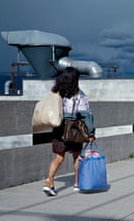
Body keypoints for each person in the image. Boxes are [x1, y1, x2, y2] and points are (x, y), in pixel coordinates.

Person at [42, 67, 96, 196]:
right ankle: (77, 184)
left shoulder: (56, 92)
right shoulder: (79, 95)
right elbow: (86, 115)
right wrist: (91, 133)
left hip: (58, 128)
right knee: (77, 155)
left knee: (58, 157)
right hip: (73, 129)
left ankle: (49, 181)